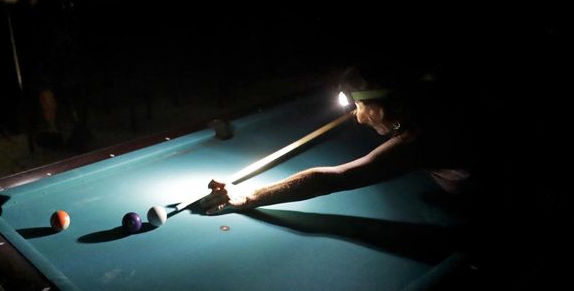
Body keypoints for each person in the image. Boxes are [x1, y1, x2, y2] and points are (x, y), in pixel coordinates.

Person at [201, 61, 483, 214]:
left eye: (359, 106)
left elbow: (335, 178)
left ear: (381, 105)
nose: (358, 117)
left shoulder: (421, 138)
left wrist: (250, 195)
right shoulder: (417, 98)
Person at [14, 0, 89, 150]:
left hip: (47, 28)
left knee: (45, 80)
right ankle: (79, 127)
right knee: (73, 78)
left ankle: (53, 131)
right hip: (74, 24)